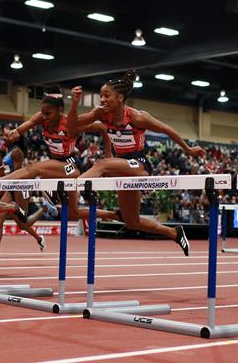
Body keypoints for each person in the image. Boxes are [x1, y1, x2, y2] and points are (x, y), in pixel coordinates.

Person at [67, 70, 206, 256]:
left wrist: (188, 149)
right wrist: (75, 103)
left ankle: (72, 188)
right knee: (132, 222)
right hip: (121, 165)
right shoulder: (101, 114)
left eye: (107, 95)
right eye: (101, 95)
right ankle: (174, 232)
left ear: (120, 98)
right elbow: (72, 125)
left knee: (103, 164)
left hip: (138, 165)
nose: (102, 99)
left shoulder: (137, 117)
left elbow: (167, 129)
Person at [0, 87, 119, 224]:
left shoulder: (71, 124)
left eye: (48, 113)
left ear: (60, 111)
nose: (44, 117)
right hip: (56, 165)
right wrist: (16, 131)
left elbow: (102, 127)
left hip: (71, 165)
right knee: (73, 213)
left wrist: (109, 155)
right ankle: (114, 214)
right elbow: (27, 124)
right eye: (43, 113)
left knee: (34, 168)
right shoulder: (42, 117)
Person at [0, 143, 57, 266]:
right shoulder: (6, 155)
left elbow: (18, 174)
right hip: (10, 188)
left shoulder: (16, 152)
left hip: (21, 186)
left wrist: (1, 177)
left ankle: (44, 207)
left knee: (23, 223)